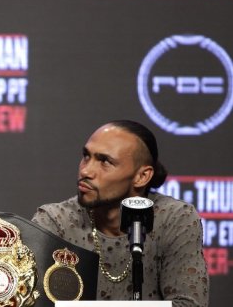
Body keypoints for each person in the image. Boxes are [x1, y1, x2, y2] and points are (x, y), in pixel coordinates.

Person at [32, 120, 208, 306]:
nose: (86, 170)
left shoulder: (174, 219)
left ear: (142, 176)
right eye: (86, 156)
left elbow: (190, 304)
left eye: (105, 161)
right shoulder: (55, 221)